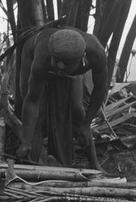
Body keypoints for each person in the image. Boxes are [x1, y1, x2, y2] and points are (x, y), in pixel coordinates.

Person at [16, 26, 108, 170]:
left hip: (72, 70)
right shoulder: (42, 58)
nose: (58, 68)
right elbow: (32, 100)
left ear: (80, 59)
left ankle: (96, 166)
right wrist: (26, 140)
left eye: (63, 67)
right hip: (35, 57)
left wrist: (86, 124)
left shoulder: (96, 53)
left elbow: (100, 89)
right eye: (56, 63)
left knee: (78, 111)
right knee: (38, 117)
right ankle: (31, 166)